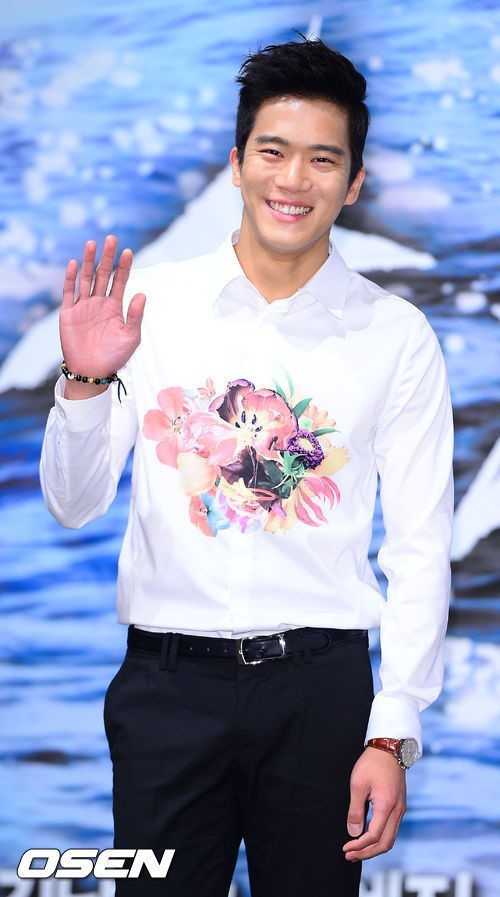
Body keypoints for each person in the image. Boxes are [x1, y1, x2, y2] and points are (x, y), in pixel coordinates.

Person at [40, 37, 453, 897]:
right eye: (272, 151)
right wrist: (82, 381)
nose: (293, 179)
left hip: (322, 695)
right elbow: (74, 505)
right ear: (236, 164)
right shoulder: (151, 306)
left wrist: (391, 729)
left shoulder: (396, 335)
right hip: (166, 689)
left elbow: (420, 547)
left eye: (322, 159)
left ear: (354, 181)